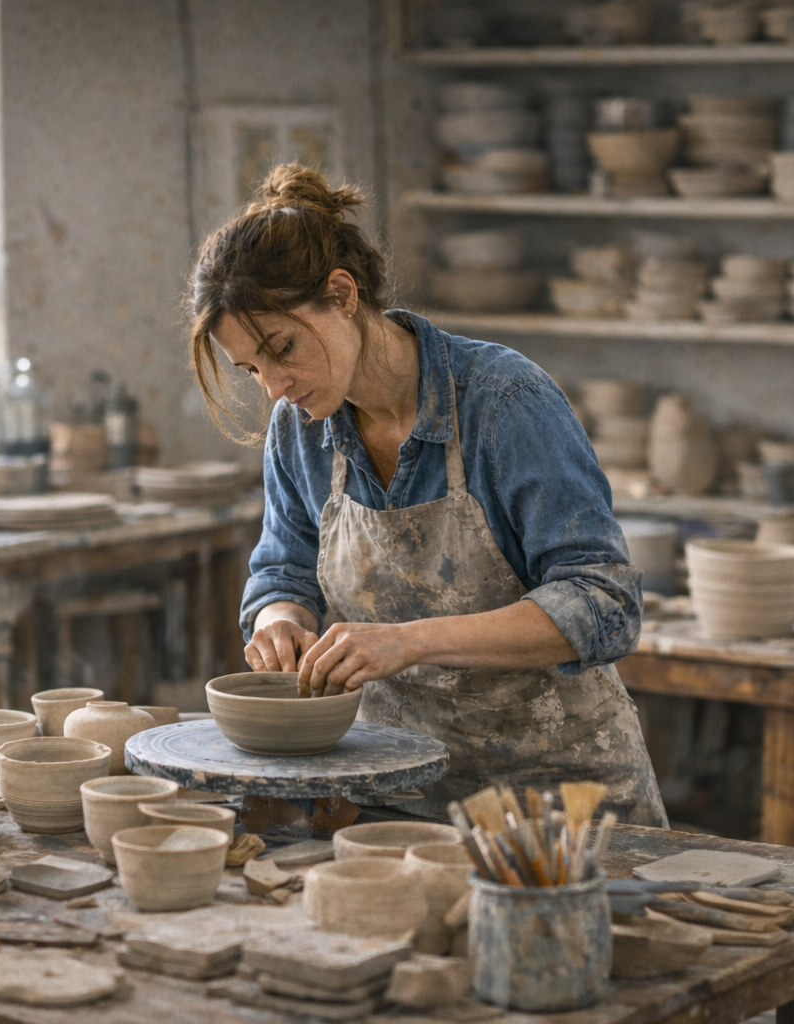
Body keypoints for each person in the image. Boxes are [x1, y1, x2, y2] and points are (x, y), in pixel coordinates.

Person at [186, 164, 666, 825]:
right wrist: (280, 625)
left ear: (343, 294)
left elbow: (603, 602)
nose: (274, 384)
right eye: (252, 368)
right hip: (398, 795)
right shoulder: (300, 431)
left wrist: (409, 641)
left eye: (283, 347)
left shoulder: (502, 402)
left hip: (557, 798)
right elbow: (282, 570)